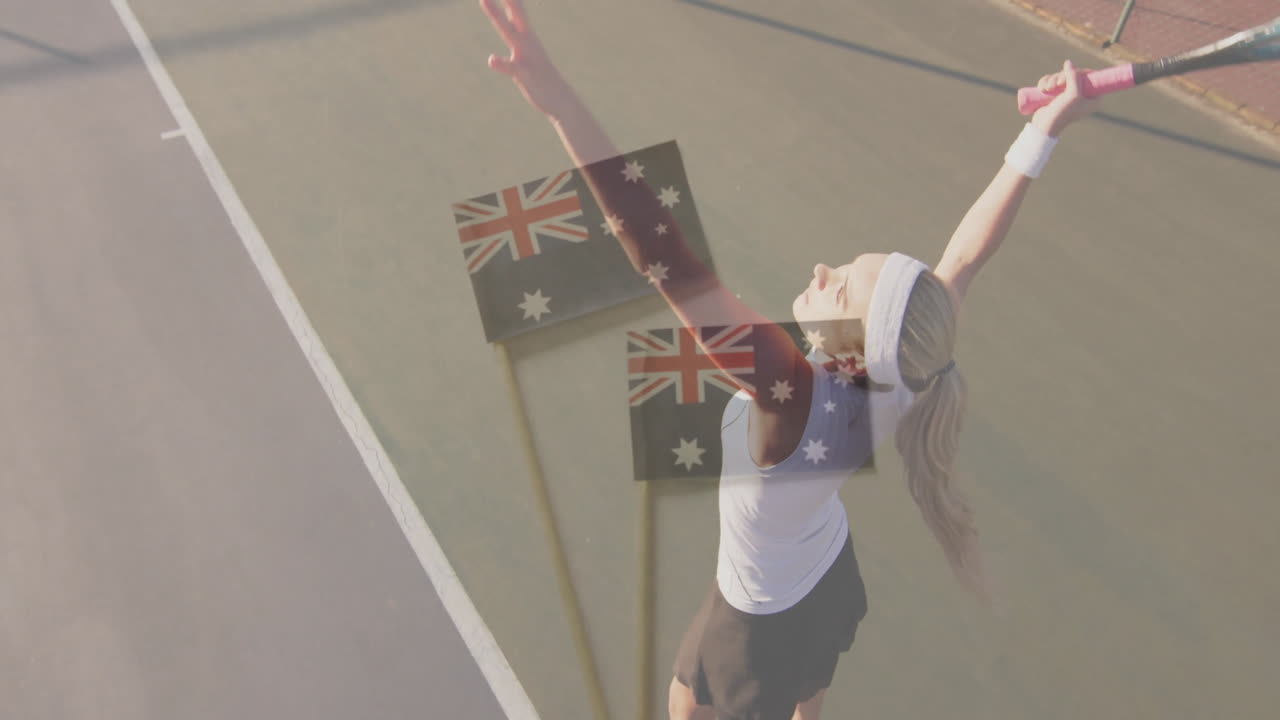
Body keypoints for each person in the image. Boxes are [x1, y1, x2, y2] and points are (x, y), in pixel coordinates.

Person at [479, 1, 1100, 718]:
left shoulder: (791, 394)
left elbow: (665, 256)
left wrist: (560, 104)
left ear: (853, 342)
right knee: (810, 693)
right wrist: (1044, 126)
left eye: (841, 283)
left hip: (754, 619)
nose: (823, 269)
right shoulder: (907, 364)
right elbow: (963, 256)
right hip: (821, 570)